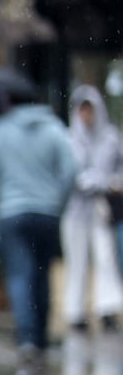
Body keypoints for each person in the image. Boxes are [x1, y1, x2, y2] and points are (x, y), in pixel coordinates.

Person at [0, 94, 79, 374]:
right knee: (41, 274)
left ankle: (27, 339)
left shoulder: (0, 129)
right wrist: (59, 203)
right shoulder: (54, 128)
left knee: (20, 274)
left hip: (11, 212)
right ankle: (41, 338)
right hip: (47, 212)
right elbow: (71, 170)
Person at [63, 84, 123, 333]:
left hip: (101, 208)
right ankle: (76, 311)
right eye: (82, 111)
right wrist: (94, 181)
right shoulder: (69, 140)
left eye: (90, 111)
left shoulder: (110, 137)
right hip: (75, 210)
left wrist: (111, 182)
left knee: (105, 257)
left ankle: (107, 308)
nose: (86, 117)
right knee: (76, 260)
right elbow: (68, 174)